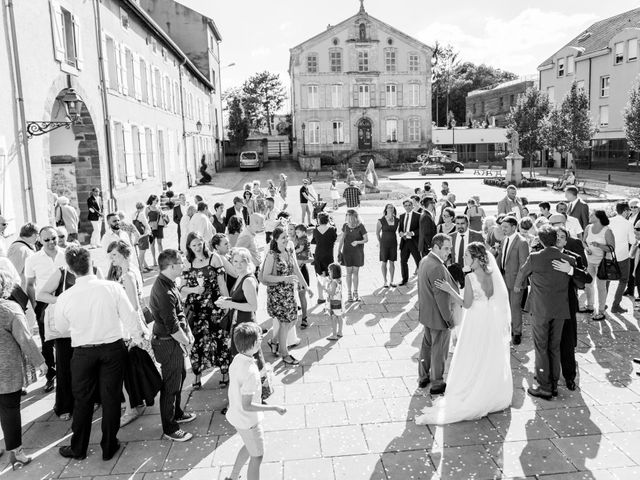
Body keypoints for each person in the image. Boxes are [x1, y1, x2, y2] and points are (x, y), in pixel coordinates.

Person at [54, 246, 141, 460]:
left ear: (71, 270)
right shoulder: (111, 287)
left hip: (83, 352)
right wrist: (137, 338)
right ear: (92, 263)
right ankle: (109, 446)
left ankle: (79, 448)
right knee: (111, 399)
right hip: (112, 348)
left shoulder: (66, 297)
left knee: (82, 400)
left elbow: (62, 328)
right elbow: (130, 317)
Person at [415, 242, 512, 424]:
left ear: (475, 258)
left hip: (475, 319)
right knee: (488, 353)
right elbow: (494, 298)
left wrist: (450, 290)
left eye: (466, 256)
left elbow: (466, 303)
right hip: (489, 320)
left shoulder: (471, 277)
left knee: (473, 354)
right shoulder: (492, 274)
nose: (463, 258)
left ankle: (473, 390)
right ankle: (491, 391)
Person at [514, 226, 575, 399]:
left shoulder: (535, 257)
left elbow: (522, 273)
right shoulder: (569, 259)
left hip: (540, 309)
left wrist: (518, 286)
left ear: (540, 241)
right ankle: (554, 384)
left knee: (541, 347)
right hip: (560, 309)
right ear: (556, 238)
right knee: (554, 347)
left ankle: (544, 386)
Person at [225, 322, 287, 480]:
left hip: (236, 415)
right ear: (253, 344)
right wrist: (274, 408)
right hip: (248, 421)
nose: (261, 340)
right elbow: (247, 405)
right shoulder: (251, 371)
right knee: (257, 456)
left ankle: (232, 477)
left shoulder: (238, 358)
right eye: (259, 339)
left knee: (249, 446)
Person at [106, 241, 156, 427]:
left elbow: (133, 306)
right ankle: (135, 402)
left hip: (128, 327)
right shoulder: (131, 270)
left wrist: (134, 332)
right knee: (131, 368)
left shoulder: (127, 275)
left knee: (125, 370)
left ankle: (130, 409)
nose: (112, 260)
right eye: (110, 256)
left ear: (125, 255)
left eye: (115, 255)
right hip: (133, 325)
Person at [0, 269, 46, 469]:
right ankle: (16, 452)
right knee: (10, 409)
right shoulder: (9, 309)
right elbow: (26, 339)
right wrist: (41, 362)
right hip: (6, 369)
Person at [149, 250, 197, 442]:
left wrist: (189, 334)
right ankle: (170, 428)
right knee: (171, 385)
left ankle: (177, 413)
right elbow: (172, 326)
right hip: (168, 344)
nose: (183, 265)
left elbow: (180, 314)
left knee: (180, 377)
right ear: (171, 266)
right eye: (180, 263)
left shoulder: (169, 284)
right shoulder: (164, 291)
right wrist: (187, 342)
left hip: (175, 341)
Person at [182, 232, 230, 390]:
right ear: (189, 247)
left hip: (214, 305)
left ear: (203, 243)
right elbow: (181, 288)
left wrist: (228, 302)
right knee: (196, 341)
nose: (197, 247)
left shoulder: (214, 258)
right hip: (196, 308)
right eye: (193, 245)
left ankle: (224, 372)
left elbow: (222, 284)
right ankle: (197, 374)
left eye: (199, 244)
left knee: (220, 337)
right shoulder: (187, 262)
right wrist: (194, 288)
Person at [25, 226, 66, 392]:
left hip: (65, 301)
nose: (51, 242)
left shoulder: (67, 254)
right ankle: (51, 376)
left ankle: (68, 373)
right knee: (47, 341)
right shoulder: (33, 259)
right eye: (47, 239)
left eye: (54, 238)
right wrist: (35, 305)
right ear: (40, 240)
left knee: (66, 338)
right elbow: (29, 285)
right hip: (43, 303)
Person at [262, 227, 312, 365]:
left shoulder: (289, 251)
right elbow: (266, 276)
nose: (286, 239)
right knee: (285, 322)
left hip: (289, 293)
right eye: (283, 237)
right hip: (277, 295)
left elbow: (296, 269)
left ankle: (273, 341)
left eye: (287, 237)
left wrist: (306, 287)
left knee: (293, 320)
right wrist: (285, 279)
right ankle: (284, 353)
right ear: (276, 239)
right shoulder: (272, 255)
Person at [416, 233, 457, 394]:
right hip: (438, 316)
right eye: (446, 248)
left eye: (450, 248)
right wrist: (449, 319)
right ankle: (437, 383)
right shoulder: (438, 267)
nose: (449, 252)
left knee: (426, 347)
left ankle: (423, 377)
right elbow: (442, 297)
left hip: (427, 313)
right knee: (439, 351)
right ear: (435, 247)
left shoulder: (425, 260)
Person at [554, 227, 592, 391]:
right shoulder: (542, 255)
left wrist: (570, 270)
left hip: (567, 305)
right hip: (548, 305)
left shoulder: (574, 257)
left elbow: (587, 278)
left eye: (562, 237)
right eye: (556, 236)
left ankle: (569, 377)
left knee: (567, 343)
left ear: (566, 240)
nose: (559, 239)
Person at [497, 216, 529, 345]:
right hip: (504, 277)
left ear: (514, 227)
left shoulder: (522, 242)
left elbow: (524, 265)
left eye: (505, 226)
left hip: (516, 280)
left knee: (515, 307)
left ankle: (517, 333)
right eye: (502, 226)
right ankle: (509, 328)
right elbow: (503, 258)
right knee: (506, 306)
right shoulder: (504, 240)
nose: (502, 228)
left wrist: (518, 283)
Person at [582, 210, 615, 320]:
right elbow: (583, 241)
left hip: (603, 263)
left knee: (601, 287)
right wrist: (586, 248)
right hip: (590, 261)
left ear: (598, 217)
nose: (589, 216)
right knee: (588, 284)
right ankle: (590, 306)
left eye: (592, 215)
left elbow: (612, 248)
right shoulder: (588, 228)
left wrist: (599, 245)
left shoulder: (607, 231)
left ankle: (601, 311)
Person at [608, 201, 635, 313]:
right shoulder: (628, 223)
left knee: (607, 280)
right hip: (623, 256)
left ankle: (602, 304)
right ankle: (615, 306)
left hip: (609, 255)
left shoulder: (609, 221)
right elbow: (632, 241)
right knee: (623, 280)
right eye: (629, 210)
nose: (629, 212)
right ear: (624, 211)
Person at [337, 209, 368, 302]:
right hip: (347, 252)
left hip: (357, 252)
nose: (348, 218)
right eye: (347, 216)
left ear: (355, 217)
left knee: (355, 272)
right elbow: (341, 239)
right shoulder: (345, 226)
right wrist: (339, 250)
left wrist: (357, 242)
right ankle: (349, 293)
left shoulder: (361, 226)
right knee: (348, 273)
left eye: (350, 216)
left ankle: (356, 292)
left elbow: (366, 239)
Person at [312, 212, 338, 304]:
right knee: (330, 276)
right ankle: (331, 295)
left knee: (319, 277)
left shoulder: (315, 230)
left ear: (318, 220)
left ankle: (320, 297)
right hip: (328, 255)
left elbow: (314, 241)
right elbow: (335, 239)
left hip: (318, 255)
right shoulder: (332, 229)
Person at [6, 223, 38, 289]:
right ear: (34, 235)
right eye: (38, 235)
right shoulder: (19, 249)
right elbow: (13, 275)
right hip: (23, 294)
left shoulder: (25, 247)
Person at [293, 223, 312, 329]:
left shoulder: (301, 240)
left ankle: (304, 318)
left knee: (302, 295)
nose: (294, 232)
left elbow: (311, 258)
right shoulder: (286, 242)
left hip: (301, 270)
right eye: (291, 230)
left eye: (295, 230)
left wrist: (299, 260)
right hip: (290, 273)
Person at [399, 198, 421, 286]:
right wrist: (400, 232)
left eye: (409, 205)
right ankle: (404, 279)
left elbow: (421, 229)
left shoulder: (418, 215)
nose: (407, 207)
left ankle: (422, 279)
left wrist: (412, 233)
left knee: (419, 261)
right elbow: (400, 228)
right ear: (403, 206)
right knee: (403, 261)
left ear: (412, 206)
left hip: (414, 242)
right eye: (405, 205)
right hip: (404, 241)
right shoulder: (401, 216)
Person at [376, 204, 399, 288]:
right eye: (389, 207)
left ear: (394, 209)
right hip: (384, 243)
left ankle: (392, 281)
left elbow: (400, 230)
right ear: (386, 209)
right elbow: (377, 233)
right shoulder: (381, 220)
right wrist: (380, 242)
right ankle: (385, 281)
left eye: (392, 207)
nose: (390, 209)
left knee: (392, 262)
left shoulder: (397, 220)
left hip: (393, 243)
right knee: (384, 262)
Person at [324, 263, 344, 340]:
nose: (328, 273)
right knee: (340, 316)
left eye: (329, 271)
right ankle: (340, 332)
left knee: (334, 318)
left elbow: (332, 293)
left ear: (333, 272)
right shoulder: (339, 280)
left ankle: (334, 335)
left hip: (334, 302)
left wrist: (325, 289)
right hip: (339, 301)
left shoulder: (333, 282)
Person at [133, 202, 153, 272]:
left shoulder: (134, 214)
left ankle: (145, 265)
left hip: (138, 235)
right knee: (142, 252)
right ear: (142, 207)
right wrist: (150, 231)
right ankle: (140, 268)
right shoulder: (141, 214)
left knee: (141, 251)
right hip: (144, 235)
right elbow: (146, 224)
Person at [146, 195, 167, 259]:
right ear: (152, 200)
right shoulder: (147, 209)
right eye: (156, 200)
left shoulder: (159, 207)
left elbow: (163, 216)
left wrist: (163, 214)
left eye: (157, 200)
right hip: (151, 228)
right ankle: (154, 259)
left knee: (160, 243)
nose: (157, 201)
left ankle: (162, 258)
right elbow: (146, 219)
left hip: (159, 227)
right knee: (152, 244)